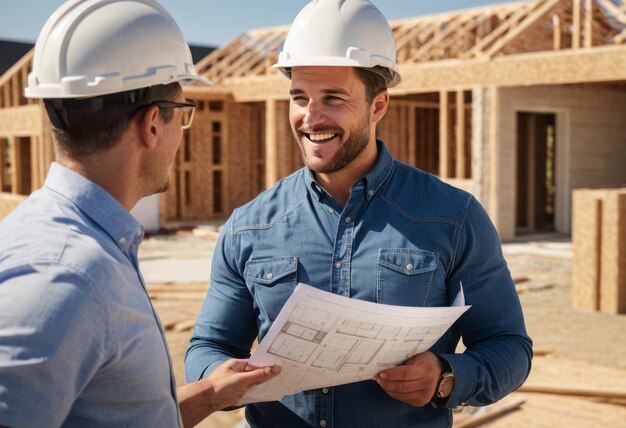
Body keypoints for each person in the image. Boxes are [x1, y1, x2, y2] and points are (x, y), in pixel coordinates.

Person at [185, 0, 532, 426]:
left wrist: (446, 377)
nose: (311, 117)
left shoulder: (454, 218)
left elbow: (509, 347)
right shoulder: (250, 226)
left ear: (378, 105)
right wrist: (215, 379)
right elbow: (208, 345)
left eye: (333, 98)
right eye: (299, 97)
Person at [0, 1, 279, 427]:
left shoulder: (86, 244)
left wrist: (206, 394)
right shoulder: (65, 277)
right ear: (152, 124)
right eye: (182, 117)